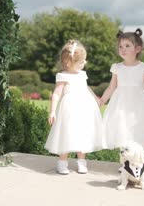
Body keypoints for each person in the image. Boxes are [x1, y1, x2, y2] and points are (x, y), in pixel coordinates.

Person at [44, 40, 103, 175]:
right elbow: (56, 94)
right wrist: (52, 111)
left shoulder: (82, 74)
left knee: (83, 133)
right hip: (69, 110)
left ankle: (82, 162)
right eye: (81, 62)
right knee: (67, 133)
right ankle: (62, 163)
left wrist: (96, 98)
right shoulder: (63, 76)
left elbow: (86, 87)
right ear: (69, 63)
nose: (85, 63)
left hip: (84, 107)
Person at [100, 29, 144, 150]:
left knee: (138, 131)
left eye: (127, 46)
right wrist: (102, 100)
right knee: (123, 131)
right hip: (121, 105)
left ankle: (139, 164)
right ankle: (126, 164)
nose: (123, 49)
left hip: (139, 106)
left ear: (137, 49)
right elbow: (111, 87)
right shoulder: (117, 68)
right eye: (120, 46)